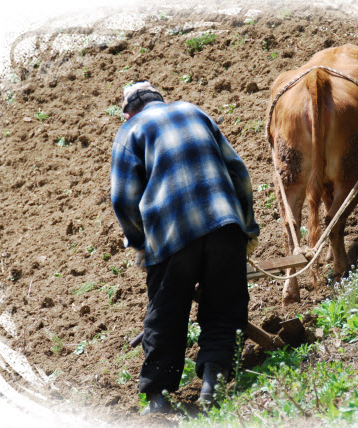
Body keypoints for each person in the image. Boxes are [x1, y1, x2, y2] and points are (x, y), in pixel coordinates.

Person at [110, 81, 259, 414]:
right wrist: (247, 227)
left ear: (129, 111)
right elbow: (239, 173)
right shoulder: (194, 111)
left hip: (171, 236)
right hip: (224, 225)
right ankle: (213, 385)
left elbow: (122, 199)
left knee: (167, 314)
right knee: (225, 307)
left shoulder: (130, 131)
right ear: (160, 100)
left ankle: (157, 399)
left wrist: (140, 243)